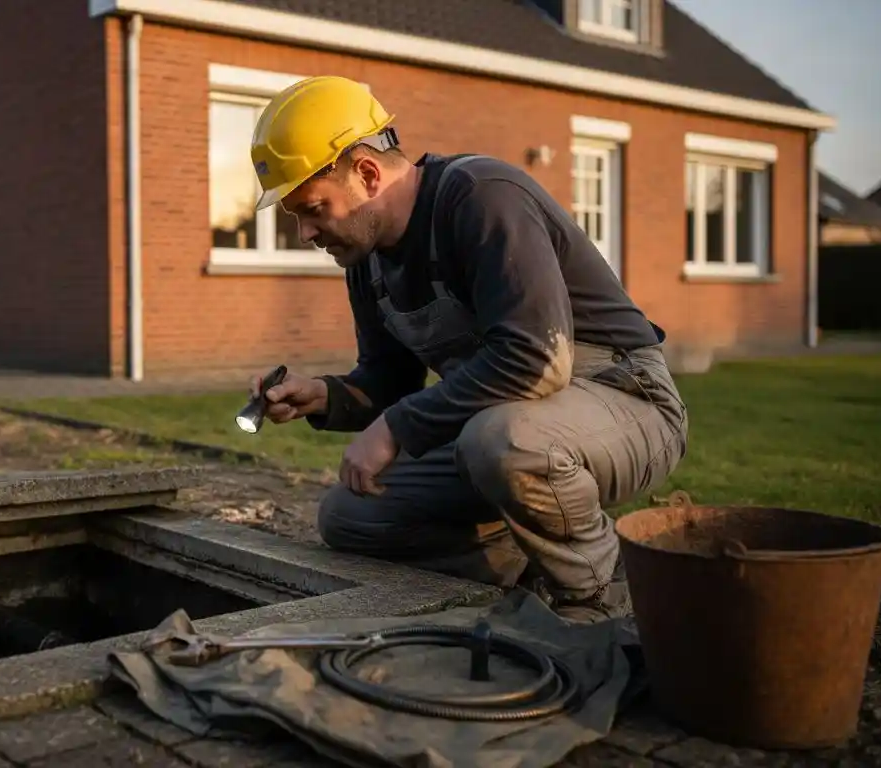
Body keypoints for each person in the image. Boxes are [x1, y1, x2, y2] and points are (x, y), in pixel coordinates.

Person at [244, 75, 689, 623]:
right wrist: (323, 396)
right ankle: (534, 566)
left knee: (501, 441)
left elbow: (535, 358)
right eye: (296, 217)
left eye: (314, 209)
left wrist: (397, 428)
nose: (307, 233)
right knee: (350, 515)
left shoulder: (481, 196)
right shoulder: (367, 259)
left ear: (365, 173)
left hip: (628, 402)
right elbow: (390, 381)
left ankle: (603, 598)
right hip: (513, 428)